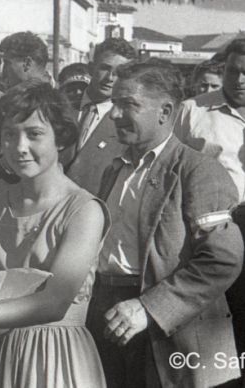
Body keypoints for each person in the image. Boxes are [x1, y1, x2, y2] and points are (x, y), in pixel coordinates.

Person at [87, 60, 243, 388]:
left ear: (165, 111)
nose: (114, 114)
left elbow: (222, 260)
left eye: (127, 104)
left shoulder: (198, 171)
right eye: (113, 103)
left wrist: (150, 308)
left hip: (170, 333)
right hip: (107, 316)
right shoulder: (115, 169)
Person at [0, 80, 107, 387]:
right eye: (10, 135)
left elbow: (55, 302)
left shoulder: (83, 210)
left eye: (34, 134)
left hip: (56, 356)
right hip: (0, 352)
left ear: (61, 138)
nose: (20, 147)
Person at [63, 38, 138, 195]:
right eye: (104, 68)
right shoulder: (60, 107)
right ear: (91, 68)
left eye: (119, 73)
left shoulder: (128, 123)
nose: (110, 78)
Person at [176, 38, 245, 201]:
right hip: (213, 213)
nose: (239, 80)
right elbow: (167, 167)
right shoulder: (190, 110)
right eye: (232, 71)